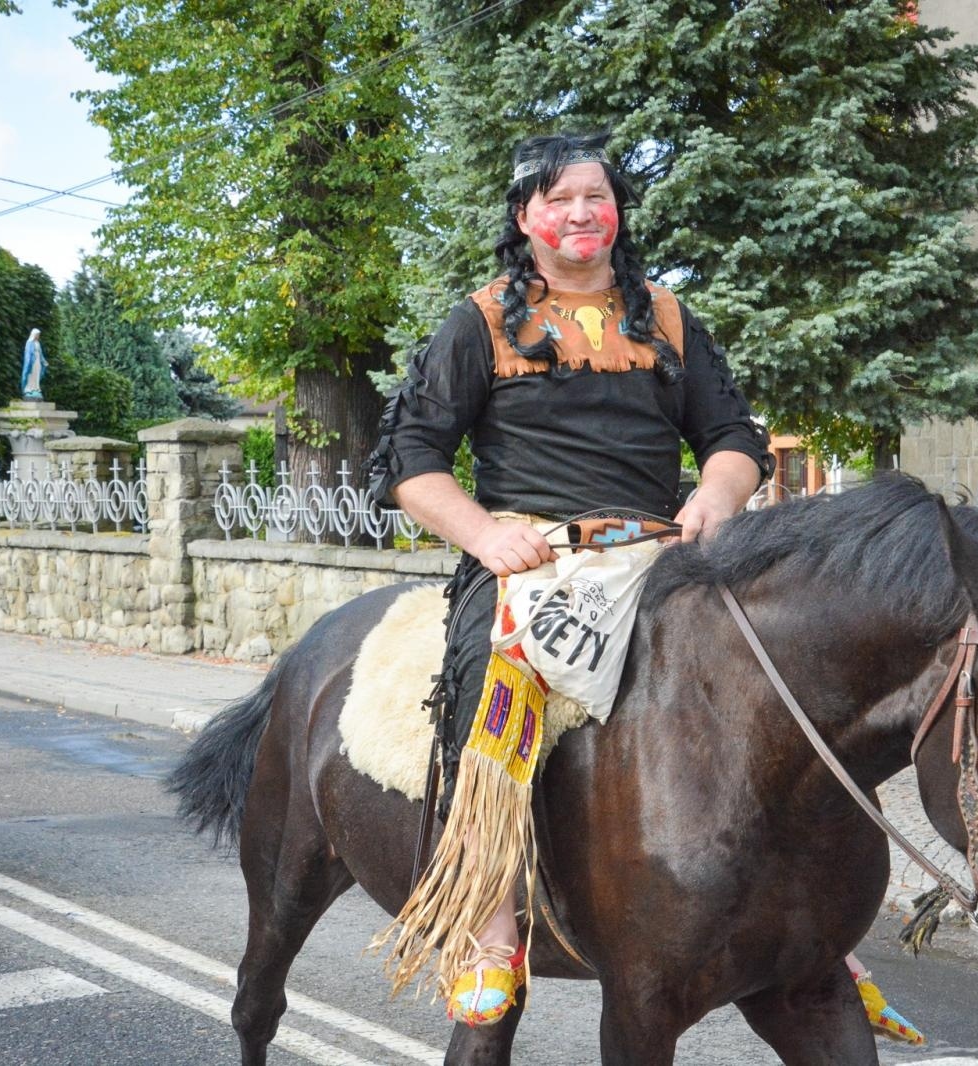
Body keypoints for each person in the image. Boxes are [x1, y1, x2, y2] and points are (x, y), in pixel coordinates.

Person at [367, 131, 772, 1026]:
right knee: (486, 683)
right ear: (525, 219)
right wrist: (481, 534)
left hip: (660, 554)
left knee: (770, 679)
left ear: (617, 210)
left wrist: (715, 495)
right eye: (558, 199)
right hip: (531, 557)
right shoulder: (478, 322)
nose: (580, 213)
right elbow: (411, 457)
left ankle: (804, 928)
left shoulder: (664, 316)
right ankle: (487, 920)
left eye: (596, 195)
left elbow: (736, 437)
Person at [21, 328, 45, 400]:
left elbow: (41, 354)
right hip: (32, 362)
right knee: (31, 375)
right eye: (37, 335)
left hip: (37, 361)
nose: (38, 336)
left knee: (36, 374)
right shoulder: (29, 343)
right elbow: (28, 354)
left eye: (39, 335)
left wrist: (43, 361)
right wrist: (28, 362)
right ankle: (29, 389)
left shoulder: (38, 343)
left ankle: (36, 388)